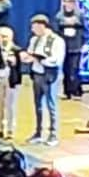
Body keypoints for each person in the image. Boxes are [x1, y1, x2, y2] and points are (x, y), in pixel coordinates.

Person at [26, 14, 65, 146]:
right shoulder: (34, 40)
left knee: (51, 104)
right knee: (37, 105)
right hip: (37, 74)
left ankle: (53, 134)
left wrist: (42, 60)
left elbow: (57, 59)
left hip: (49, 75)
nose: (32, 30)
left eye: (34, 27)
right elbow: (30, 53)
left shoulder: (57, 41)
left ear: (42, 26)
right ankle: (38, 132)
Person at [0, 26, 23, 140]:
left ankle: (10, 131)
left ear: (11, 37)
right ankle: (0, 129)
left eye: (5, 37)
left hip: (12, 80)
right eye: (0, 36)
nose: (2, 39)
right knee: (0, 106)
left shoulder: (17, 50)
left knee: (11, 106)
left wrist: (14, 63)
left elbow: (20, 67)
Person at [55, 0, 88, 99]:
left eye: (70, 2)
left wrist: (84, 43)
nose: (67, 4)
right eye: (65, 1)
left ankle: (76, 91)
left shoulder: (80, 15)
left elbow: (85, 30)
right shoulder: (59, 16)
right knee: (66, 70)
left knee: (74, 69)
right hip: (64, 47)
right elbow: (56, 31)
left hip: (76, 47)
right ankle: (67, 92)